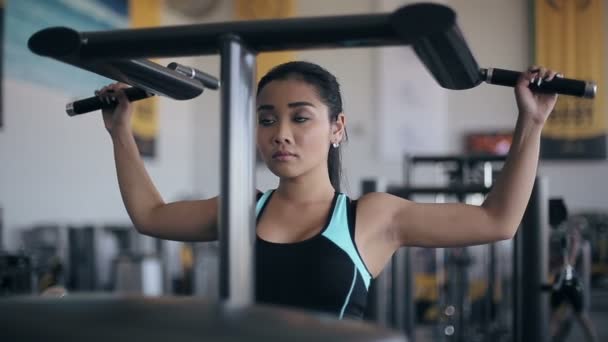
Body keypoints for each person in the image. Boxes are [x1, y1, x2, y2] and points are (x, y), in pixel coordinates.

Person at [96, 61, 560, 320]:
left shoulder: (373, 217)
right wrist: (121, 133)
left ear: (337, 128)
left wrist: (532, 122)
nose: (281, 133)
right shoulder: (240, 208)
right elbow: (151, 215)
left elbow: (497, 220)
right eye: (266, 119)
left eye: (300, 117)